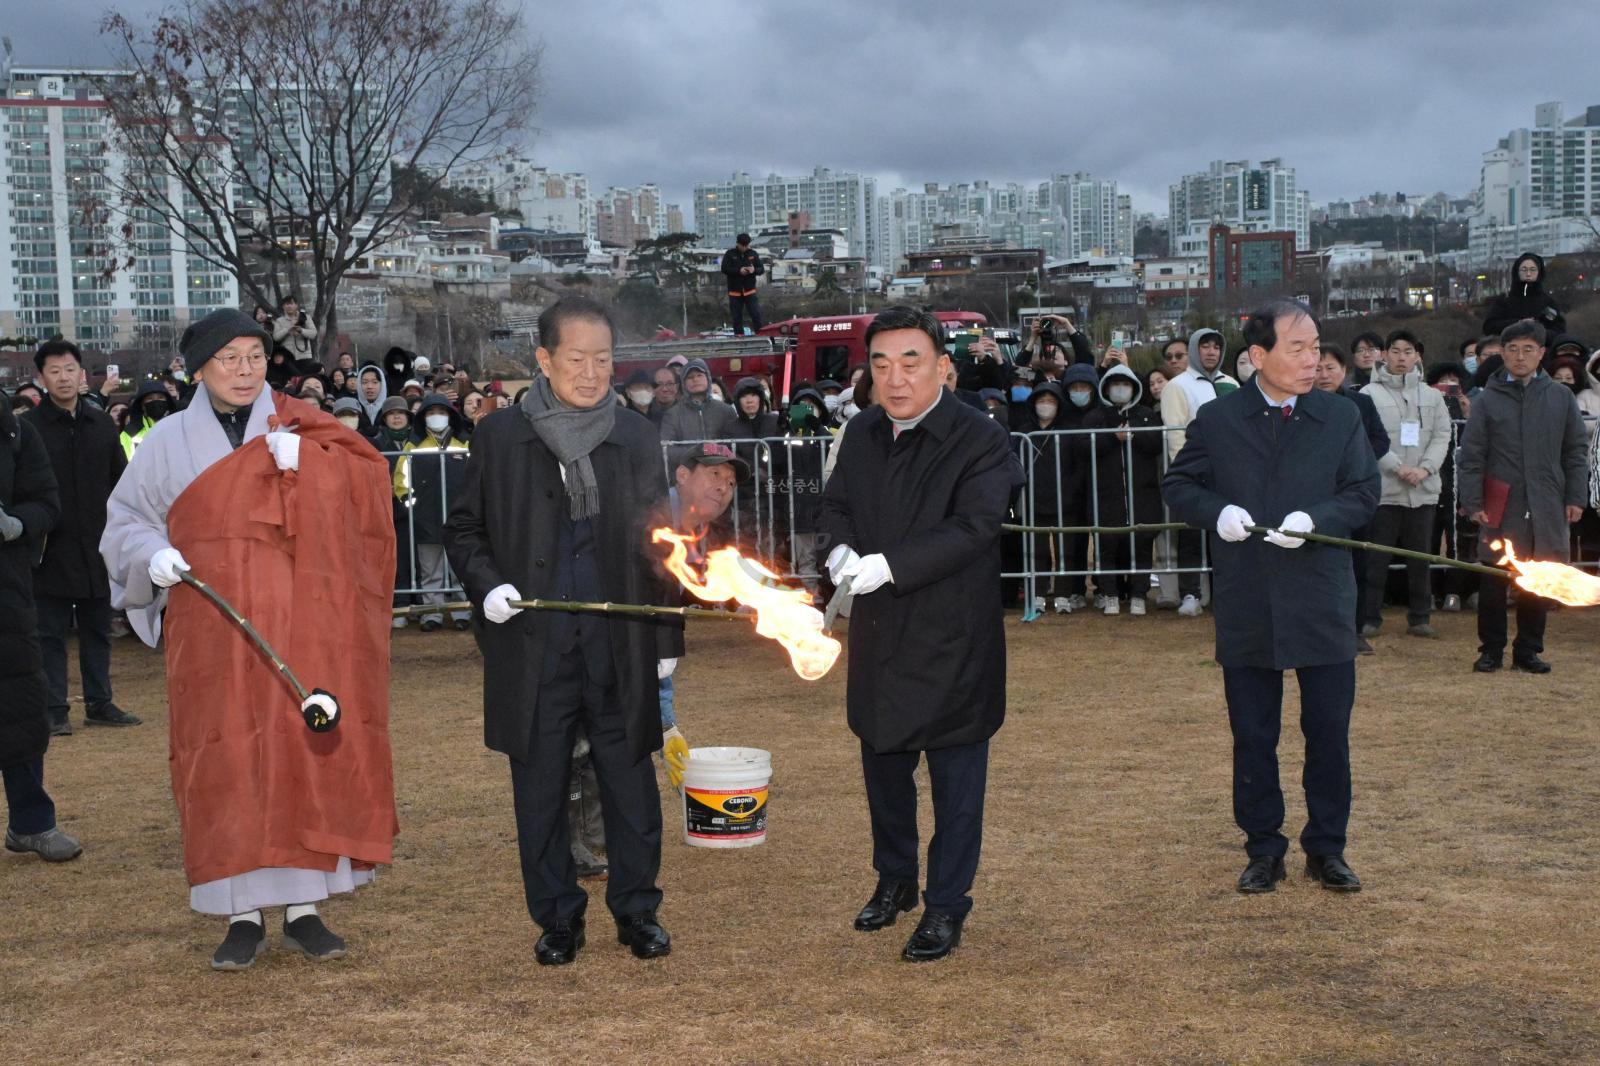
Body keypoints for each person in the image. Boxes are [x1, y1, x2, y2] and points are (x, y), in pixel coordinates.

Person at [100, 307, 398, 970]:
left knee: (300, 753)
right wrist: (151, 554)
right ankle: (238, 913)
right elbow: (125, 520)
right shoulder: (168, 440)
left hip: (302, 621)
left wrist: (316, 469)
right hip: (213, 628)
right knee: (227, 759)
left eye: (254, 357)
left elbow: (371, 488)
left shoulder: (301, 425)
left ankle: (304, 908)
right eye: (228, 358)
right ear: (199, 368)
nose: (244, 370)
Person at [443, 296, 681, 967]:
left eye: (603, 359)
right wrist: (488, 585)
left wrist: (664, 642)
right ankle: (556, 916)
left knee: (630, 788)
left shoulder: (634, 437)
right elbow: (464, 532)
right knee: (540, 790)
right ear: (543, 360)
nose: (590, 372)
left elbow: (663, 546)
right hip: (534, 649)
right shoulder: (500, 438)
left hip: (620, 647)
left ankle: (638, 912)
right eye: (576, 358)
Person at [818, 306, 1022, 963]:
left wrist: (891, 565)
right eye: (880, 364)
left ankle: (945, 905)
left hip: (954, 639)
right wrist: (839, 551)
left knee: (957, 785)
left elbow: (974, 526)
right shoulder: (864, 433)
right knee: (883, 769)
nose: (895, 378)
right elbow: (836, 504)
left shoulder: (980, 439)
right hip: (880, 637)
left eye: (910, 362)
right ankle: (896, 879)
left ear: (943, 367)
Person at [1163, 298, 1379, 895]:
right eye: (1299, 348)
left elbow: (1363, 492)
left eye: (1317, 347)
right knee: (1254, 733)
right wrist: (1218, 512)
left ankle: (1327, 848)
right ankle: (1263, 847)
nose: (1315, 360)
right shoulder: (1221, 418)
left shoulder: (1340, 417)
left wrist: (1318, 519)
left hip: (1322, 594)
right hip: (1249, 595)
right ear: (1258, 356)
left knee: (1328, 731)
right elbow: (1179, 484)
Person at [1458, 320, 1588, 674]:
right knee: (1494, 579)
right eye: (1512, 349)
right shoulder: (1487, 399)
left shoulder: (1560, 398)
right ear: (1503, 353)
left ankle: (1528, 650)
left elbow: (1575, 451)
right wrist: (1473, 502)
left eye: (1528, 349)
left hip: (1547, 501)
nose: (1520, 356)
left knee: (1540, 579)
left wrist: (1576, 496)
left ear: (1542, 353)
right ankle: (1491, 650)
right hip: (1501, 503)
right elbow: (1471, 455)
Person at [22, 341, 138, 735]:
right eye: (54, 371)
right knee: (49, 633)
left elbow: (121, 483)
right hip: (48, 548)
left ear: (81, 374)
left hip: (97, 545)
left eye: (69, 369)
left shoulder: (101, 424)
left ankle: (99, 703)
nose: (64, 377)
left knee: (96, 629)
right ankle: (55, 709)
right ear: (41, 379)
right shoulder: (28, 429)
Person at [1, 394, 82, 862]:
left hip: (7, 593)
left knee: (19, 709)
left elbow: (46, 503)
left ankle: (32, 823)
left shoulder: (15, 433)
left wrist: (14, 524)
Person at [1359, 330, 1452, 640]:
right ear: (1384, 354)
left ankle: (1420, 617)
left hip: (1422, 489)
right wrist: (1397, 468)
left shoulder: (1433, 395)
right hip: (1385, 488)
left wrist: (1424, 469)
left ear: (1417, 356)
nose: (1401, 357)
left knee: (1420, 556)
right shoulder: (1368, 394)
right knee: (1376, 557)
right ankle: (1369, 617)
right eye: (1395, 351)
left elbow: (1442, 435)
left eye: (1408, 351)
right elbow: (1369, 438)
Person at [1159, 327, 1239, 618]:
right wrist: (1187, 474)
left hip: (1229, 474)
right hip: (1195, 475)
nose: (1211, 352)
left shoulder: (1230, 384)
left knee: (1228, 536)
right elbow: (1176, 434)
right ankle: (1190, 593)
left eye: (1216, 347)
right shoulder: (1178, 385)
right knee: (1192, 537)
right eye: (1204, 346)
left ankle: (1226, 594)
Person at [1315, 344, 1390, 653]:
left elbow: (1380, 441)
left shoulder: (1361, 403)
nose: (1323, 374)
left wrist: (1354, 464)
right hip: (1315, 498)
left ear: (1343, 371)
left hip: (1355, 495)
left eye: (1330, 368)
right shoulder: (1302, 404)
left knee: (1359, 562)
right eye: (1317, 368)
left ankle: (1357, 629)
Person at [1084, 364, 1163, 616]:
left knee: (1141, 545)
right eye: (1115, 385)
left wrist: (1135, 435)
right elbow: (1082, 447)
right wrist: (1111, 438)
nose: (1120, 389)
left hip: (1142, 494)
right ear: (1106, 388)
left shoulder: (1147, 414)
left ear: (1135, 388)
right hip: (1107, 495)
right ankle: (1110, 594)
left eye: (1126, 385)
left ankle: (1139, 593)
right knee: (1106, 545)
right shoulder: (1096, 416)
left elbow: (1156, 443)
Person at [393, 394, 471, 631]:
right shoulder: (413, 446)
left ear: (451, 415)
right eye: (430, 412)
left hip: (459, 517)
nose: (436, 416)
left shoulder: (465, 444)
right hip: (426, 518)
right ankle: (431, 614)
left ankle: (462, 612)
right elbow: (400, 480)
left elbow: (477, 477)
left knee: (461, 567)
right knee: (430, 569)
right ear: (423, 417)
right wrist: (412, 504)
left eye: (441, 411)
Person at [1483, 253, 1565, 339]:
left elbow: (1559, 330)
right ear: (1517, 272)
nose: (1528, 274)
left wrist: (1536, 333)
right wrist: (1518, 324)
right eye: (1524, 269)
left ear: (1539, 273)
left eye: (1533, 269)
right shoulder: (1504, 300)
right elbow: (1489, 326)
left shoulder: (1548, 302)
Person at [660, 358, 738, 446]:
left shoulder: (726, 411)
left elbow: (737, 445)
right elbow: (667, 449)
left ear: (708, 378)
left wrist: (719, 455)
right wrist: (696, 453)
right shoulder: (672, 415)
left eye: (699, 375)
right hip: (687, 460)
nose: (695, 380)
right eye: (690, 377)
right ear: (683, 383)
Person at [721, 233, 765, 334]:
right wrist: (738, 271)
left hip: (750, 291)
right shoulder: (729, 254)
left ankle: (760, 335)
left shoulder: (753, 254)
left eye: (746, 245)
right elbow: (724, 269)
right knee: (736, 318)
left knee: (756, 315)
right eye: (743, 245)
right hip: (735, 293)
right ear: (737, 244)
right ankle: (739, 337)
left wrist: (754, 270)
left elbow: (761, 269)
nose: (745, 247)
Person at [272, 295, 319, 366]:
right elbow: (276, 337)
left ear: (296, 305)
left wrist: (301, 330)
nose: (289, 306)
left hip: (304, 356)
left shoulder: (305, 318)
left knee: (305, 376)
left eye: (291, 303)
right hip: (287, 357)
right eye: (287, 304)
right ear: (283, 306)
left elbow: (314, 334)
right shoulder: (279, 321)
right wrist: (288, 329)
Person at [354, 364, 387, 436]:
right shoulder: (353, 409)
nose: (369, 387)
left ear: (382, 384)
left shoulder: (389, 408)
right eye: (365, 382)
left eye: (375, 382)